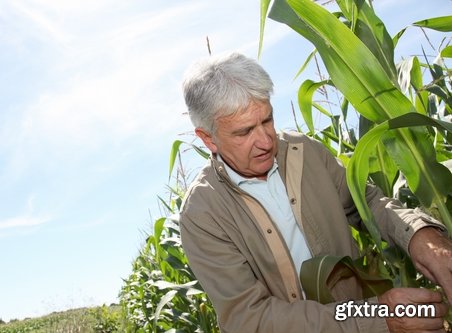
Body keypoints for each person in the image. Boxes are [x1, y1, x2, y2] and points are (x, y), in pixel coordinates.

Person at [179, 52, 452, 333]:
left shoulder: (304, 152)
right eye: (245, 132)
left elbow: (367, 202)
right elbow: (251, 320)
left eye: (267, 120)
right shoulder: (202, 214)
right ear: (208, 138)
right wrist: (376, 317)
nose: (264, 141)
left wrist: (420, 235)